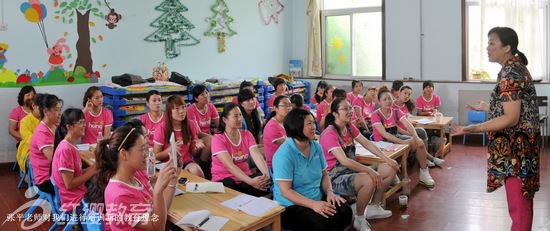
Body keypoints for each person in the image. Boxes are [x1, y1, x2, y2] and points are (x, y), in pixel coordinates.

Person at [452, 27, 540, 231]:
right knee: (522, 204)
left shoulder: (510, 73)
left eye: (492, 42)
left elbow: (511, 117)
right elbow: (519, 107)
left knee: (519, 207)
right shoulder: (515, 69)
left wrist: (477, 128)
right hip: (522, 150)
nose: (487, 47)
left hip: (516, 152)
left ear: (507, 47)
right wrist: (489, 108)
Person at [320, 97, 398, 231]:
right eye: (345, 108)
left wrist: (387, 158)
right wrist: (369, 171)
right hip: (334, 178)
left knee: (389, 167)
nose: (350, 111)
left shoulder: (349, 127)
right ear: (335, 114)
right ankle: (359, 218)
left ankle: (373, 207)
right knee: (369, 179)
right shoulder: (329, 133)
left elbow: (367, 143)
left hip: (351, 171)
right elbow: (344, 160)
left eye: (350, 107)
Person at [85, 126, 181, 230]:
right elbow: (157, 228)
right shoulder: (121, 195)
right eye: (142, 149)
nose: (146, 154)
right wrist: (158, 190)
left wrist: (172, 179)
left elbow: (159, 210)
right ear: (124, 154)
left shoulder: (136, 176)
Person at [272, 108, 352, 231]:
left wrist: (330, 192)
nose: (314, 126)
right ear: (296, 127)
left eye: (313, 122)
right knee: (326, 220)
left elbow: (325, 175)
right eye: (309, 124)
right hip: (290, 206)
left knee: (345, 210)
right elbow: (286, 191)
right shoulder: (284, 154)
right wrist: (314, 205)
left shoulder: (316, 147)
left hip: (315, 197)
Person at [371, 88, 436, 189]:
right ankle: (393, 174)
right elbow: (384, 134)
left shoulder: (396, 111)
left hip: (395, 138)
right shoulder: (375, 115)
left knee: (418, 143)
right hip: (383, 143)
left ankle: (424, 173)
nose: (388, 101)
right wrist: (403, 142)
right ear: (379, 102)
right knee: (407, 145)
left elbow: (408, 124)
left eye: (389, 98)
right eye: (385, 99)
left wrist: (416, 137)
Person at [211, 103, 271, 196]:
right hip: (225, 179)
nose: (239, 119)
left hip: (245, 177)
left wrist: (266, 175)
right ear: (225, 119)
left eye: (240, 115)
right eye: (235, 116)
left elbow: (257, 156)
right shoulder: (218, 139)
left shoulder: (246, 134)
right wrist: (251, 182)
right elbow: (230, 166)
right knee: (230, 185)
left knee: (263, 184)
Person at [51, 108, 97, 214]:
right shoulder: (65, 149)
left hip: (77, 196)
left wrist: (93, 167)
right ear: (69, 127)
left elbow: (76, 173)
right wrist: (91, 171)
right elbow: (69, 184)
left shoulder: (71, 145)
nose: (84, 125)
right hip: (72, 203)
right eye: (80, 122)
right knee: (110, 207)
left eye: (84, 122)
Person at [393, 86, 445, 168]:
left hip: (406, 129)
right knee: (416, 138)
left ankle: (425, 158)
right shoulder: (392, 106)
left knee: (421, 130)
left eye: (409, 94)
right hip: (398, 132)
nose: (407, 96)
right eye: (405, 93)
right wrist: (409, 133)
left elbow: (406, 120)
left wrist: (413, 123)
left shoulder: (406, 105)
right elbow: (394, 126)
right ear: (399, 93)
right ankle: (430, 158)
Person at [154, 95, 205, 178]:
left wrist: (196, 147)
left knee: (197, 171)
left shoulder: (191, 124)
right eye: (177, 108)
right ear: (169, 112)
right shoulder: (161, 129)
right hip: (168, 165)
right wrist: (169, 150)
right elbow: (156, 156)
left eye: (183, 107)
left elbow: (192, 152)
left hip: (186, 162)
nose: (182, 111)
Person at [29, 94, 63, 195]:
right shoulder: (42, 132)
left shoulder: (54, 126)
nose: (59, 113)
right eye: (56, 110)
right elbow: (55, 161)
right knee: (88, 181)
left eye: (60, 110)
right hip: (47, 180)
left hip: (55, 173)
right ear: (45, 112)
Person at [262, 95, 292, 169]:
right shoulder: (272, 126)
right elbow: (289, 145)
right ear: (275, 108)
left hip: (288, 160)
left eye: (289, 105)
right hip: (277, 165)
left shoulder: (287, 122)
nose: (288, 108)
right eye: (284, 105)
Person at [16, 94, 41, 173]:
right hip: (28, 151)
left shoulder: (47, 119)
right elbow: (31, 142)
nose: (45, 111)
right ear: (33, 106)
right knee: (39, 163)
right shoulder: (24, 122)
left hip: (46, 149)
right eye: (43, 107)